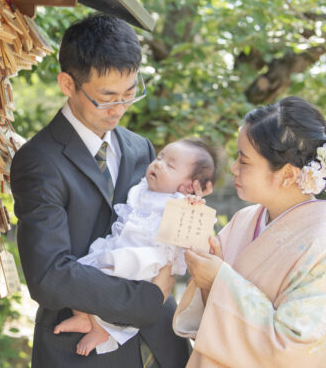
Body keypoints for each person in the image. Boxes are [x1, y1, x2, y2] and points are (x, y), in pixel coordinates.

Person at [11, 14, 209, 368]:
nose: (119, 109)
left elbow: (160, 230)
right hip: (81, 353)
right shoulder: (38, 160)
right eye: (106, 98)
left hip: (161, 348)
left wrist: (191, 212)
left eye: (130, 94)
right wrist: (146, 300)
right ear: (68, 84)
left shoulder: (140, 149)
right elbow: (49, 276)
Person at [173, 96, 326, 367]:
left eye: (244, 160)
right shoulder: (245, 219)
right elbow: (211, 319)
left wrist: (219, 281)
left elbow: (294, 351)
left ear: (287, 174)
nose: (233, 168)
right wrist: (207, 280)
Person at [53, 138, 219, 356]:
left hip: (147, 260)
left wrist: (195, 202)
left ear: (188, 185)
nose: (158, 164)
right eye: (160, 157)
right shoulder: (143, 187)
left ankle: (104, 329)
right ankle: (87, 318)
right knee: (85, 270)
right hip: (119, 247)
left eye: (170, 165)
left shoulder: (181, 203)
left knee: (115, 278)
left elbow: (196, 236)